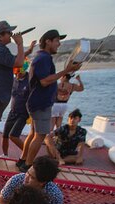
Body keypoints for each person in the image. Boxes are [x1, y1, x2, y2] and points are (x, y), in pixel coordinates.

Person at [18, 30, 81, 172]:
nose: (59, 44)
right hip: (40, 103)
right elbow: (45, 81)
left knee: (34, 134)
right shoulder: (43, 59)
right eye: (57, 41)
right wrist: (65, 71)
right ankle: (28, 166)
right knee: (40, 135)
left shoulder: (43, 58)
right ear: (48, 41)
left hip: (37, 102)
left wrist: (67, 70)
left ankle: (23, 160)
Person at [0, 20, 35, 168]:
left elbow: (16, 60)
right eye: (8, 33)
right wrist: (20, 44)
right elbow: (19, 63)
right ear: (1, 36)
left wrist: (26, 50)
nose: (10, 35)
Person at [1, 58, 31, 157]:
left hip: (24, 113)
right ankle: (5, 155)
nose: (17, 75)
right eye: (15, 73)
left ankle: (29, 154)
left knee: (13, 136)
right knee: (5, 135)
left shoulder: (30, 80)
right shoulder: (13, 80)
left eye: (19, 72)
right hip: (13, 111)